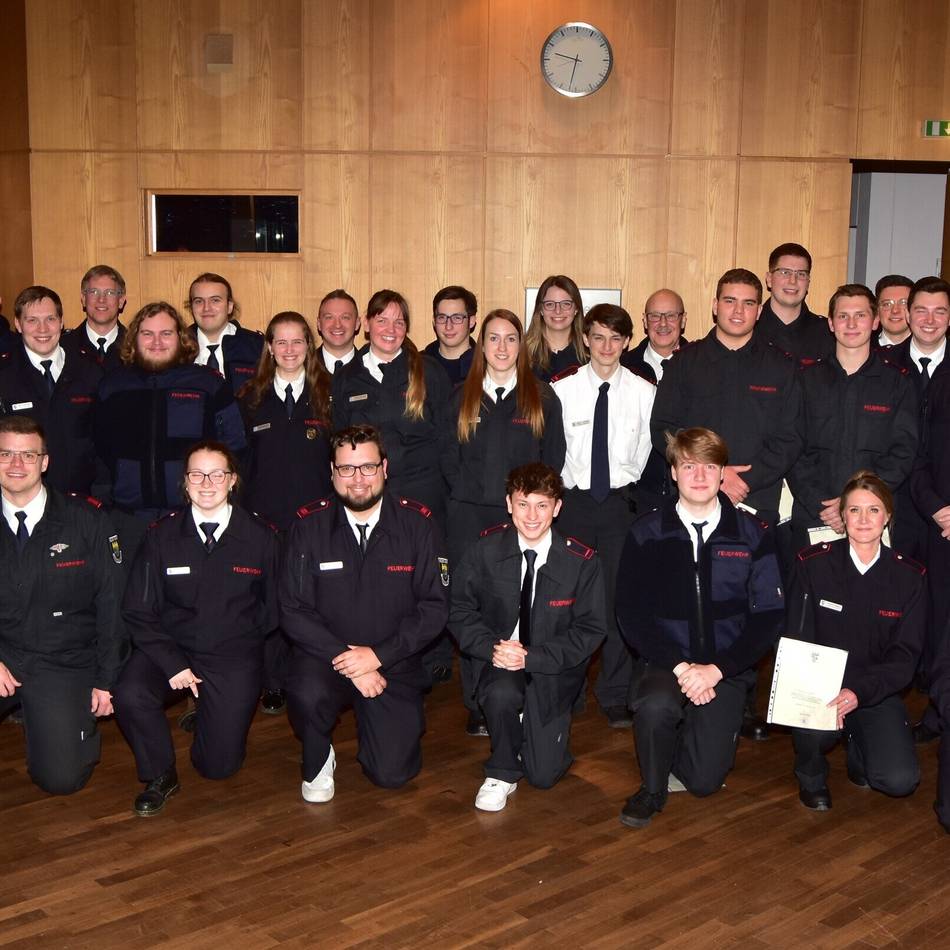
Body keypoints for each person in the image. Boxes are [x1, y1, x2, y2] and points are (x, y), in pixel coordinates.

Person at [651, 268, 803, 740]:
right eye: (730, 301)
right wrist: (714, 477)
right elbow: (666, 428)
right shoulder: (686, 362)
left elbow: (791, 437)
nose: (738, 311)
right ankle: (686, 688)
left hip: (756, 504)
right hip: (697, 502)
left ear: (759, 309)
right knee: (696, 600)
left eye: (748, 303)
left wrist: (742, 478)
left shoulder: (782, 366)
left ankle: (743, 702)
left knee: (749, 604)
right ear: (715, 305)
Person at [615, 427, 784, 829]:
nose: (699, 476)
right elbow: (631, 614)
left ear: (722, 472)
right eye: (689, 466)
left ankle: (688, 733)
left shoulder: (752, 535)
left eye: (710, 466)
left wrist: (717, 670)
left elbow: (768, 616)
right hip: (665, 662)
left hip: (724, 667)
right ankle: (652, 788)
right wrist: (681, 667)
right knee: (656, 706)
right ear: (673, 472)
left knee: (705, 782)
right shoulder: (645, 533)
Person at [279, 425, 449, 801]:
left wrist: (376, 656)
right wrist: (350, 660)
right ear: (332, 473)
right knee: (306, 693)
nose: (358, 479)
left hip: (393, 663)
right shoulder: (308, 526)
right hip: (325, 659)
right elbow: (293, 609)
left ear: (385, 468)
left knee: (392, 775)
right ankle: (319, 757)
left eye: (368, 467)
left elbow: (434, 608)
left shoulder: (418, 525)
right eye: (347, 469)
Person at [114, 441, 279, 816]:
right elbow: (137, 610)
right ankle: (160, 773)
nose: (207, 483)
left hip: (231, 654)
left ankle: (212, 714)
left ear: (232, 480)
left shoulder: (261, 537)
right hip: (171, 649)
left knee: (217, 768)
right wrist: (172, 662)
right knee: (131, 692)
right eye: (197, 474)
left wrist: (239, 645)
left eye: (217, 474)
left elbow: (274, 609)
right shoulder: (160, 536)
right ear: (184, 483)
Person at [450, 462, 605, 810]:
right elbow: (459, 610)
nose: (532, 515)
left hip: (551, 671)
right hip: (499, 662)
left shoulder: (582, 561)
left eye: (542, 505)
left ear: (558, 507)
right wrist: (492, 648)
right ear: (509, 504)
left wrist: (532, 658)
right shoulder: (485, 550)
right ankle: (501, 770)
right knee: (503, 692)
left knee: (543, 776)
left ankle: (533, 723)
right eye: (523, 504)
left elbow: (590, 629)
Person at [443, 309, 566, 735]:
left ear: (521, 345)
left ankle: (524, 687)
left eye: (510, 339)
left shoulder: (542, 397)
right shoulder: (460, 396)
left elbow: (554, 461)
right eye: (493, 339)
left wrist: (526, 508)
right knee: (475, 607)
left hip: (523, 518)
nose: (501, 347)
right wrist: (475, 494)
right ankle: (478, 700)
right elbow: (447, 459)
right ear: (482, 345)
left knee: (518, 599)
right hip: (468, 516)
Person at [0, 416, 127, 794]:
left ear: (45, 462)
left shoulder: (87, 521)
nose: (17, 464)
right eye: (5, 453)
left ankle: (59, 730)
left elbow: (112, 604)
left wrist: (106, 680)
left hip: (63, 658)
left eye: (28, 455)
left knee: (61, 778)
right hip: (3, 652)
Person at [332, 290, 453, 683]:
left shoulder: (428, 370)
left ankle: (432, 656)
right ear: (366, 325)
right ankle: (377, 650)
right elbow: (338, 437)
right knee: (382, 572)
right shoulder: (348, 377)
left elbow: (447, 436)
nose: (391, 329)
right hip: (369, 492)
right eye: (382, 320)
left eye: (399, 321)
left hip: (423, 490)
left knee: (426, 574)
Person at [786, 471, 924, 811]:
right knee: (814, 729)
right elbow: (796, 639)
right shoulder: (812, 564)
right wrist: (816, 690)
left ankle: (858, 745)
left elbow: (905, 657)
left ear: (888, 516)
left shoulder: (909, 577)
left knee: (899, 781)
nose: (864, 519)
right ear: (842, 516)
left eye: (874, 510)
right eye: (855, 510)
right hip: (820, 687)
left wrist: (859, 693)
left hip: (874, 689)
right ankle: (811, 774)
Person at [551, 303, 655, 727]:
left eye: (616, 338)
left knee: (615, 602)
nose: (606, 346)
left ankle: (614, 692)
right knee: (566, 601)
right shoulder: (562, 389)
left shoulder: (644, 392)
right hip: (573, 506)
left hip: (619, 506)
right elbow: (554, 455)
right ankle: (566, 688)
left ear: (627, 341)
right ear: (585, 339)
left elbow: (649, 452)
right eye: (598, 337)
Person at [95, 301, 248, 560]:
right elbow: (97, 451)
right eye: (147, 334)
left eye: (166, 333)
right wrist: (106, 505)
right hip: (128, 521)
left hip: (190, 519)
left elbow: (235, 448)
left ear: (180, 338)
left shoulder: (208, 385)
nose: (157, 342)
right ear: (134, 338)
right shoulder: (113, 387)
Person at [238, 311, 333, 714]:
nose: (289, 350)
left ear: (308, 348)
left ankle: (314, 675)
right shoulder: (250, 399)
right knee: (272, 602)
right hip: (265, 521)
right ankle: (272, 680)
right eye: (281, 342)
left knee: (315, 600)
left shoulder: (329, 395)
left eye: (298, 342)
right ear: (270, 348)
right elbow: (239, 465)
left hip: (318, 521)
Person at [788, 283, 917, 553]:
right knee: (810, 594)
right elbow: (792, 446)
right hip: (816, 514)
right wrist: (823, 504)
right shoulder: (805, 380)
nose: (851, 323)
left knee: (873, 595)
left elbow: (903, 451)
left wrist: (858, 503)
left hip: (872, 516)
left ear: (875, 322)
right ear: (832, 324)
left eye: (860, 315)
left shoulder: (898, 384)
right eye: (843, 316)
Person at [0, 285, 104, 495]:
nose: (43, 329)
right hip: (21, 498)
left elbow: (104, 438)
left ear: (61, 322)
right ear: (18, 325)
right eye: (32, 321)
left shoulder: (90, 371)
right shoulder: (4, 375)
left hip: (82, 499)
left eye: (50, 319)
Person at [908, 277, 950, 743]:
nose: (930, 319)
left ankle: (940, 713)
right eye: (922, 310)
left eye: (940, 311)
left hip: (947, 521)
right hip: (895, 512)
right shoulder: (886, 366)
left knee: (942, 618)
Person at [620, 288, 688, 512]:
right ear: (645, 321)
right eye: (655, 316)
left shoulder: (703, 364)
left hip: (691, 489)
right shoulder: (623, 367)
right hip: (636, 494)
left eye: (671, 315)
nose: (663, 323)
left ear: (683, 319)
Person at [753, 242, 833, 362]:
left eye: (801, 274)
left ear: (808, 282)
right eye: (785, 272)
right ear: (769, 279)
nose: (793, 281)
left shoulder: (828, 333)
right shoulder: (749, 328)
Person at [187, 273, 263, 391]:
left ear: (229, 306)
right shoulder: (177, 349)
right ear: (191, 307)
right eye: (199, 301)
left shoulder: (258, 347)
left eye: (215, 300)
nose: (206, 308)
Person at [62, 264, 128, 370]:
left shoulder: (136, 347)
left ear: (121, 301)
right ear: (83, 299)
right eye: (94, 292)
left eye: (110, 293)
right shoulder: (63, 347)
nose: (101, 299)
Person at [524, 275, 588, 382]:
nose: (558, 311)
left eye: (566, 304)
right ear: (540, 309)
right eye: (550, 304)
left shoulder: (590, 353)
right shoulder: (522, 353)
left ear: (576, 308)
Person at [423, 285, 477, 385]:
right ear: (434, 321)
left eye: (457, 318)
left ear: (471, 321)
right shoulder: (417, 365)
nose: (448, 326)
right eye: (442, 318)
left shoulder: (484, 367)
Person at [315, 289, 360, 375]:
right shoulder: (302, 367)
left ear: (357, 323)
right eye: (329, 317)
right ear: (319, 323)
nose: (337, 325)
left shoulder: (372, 369)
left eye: (345, 317)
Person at [875, 274, 913, 348]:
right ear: (877, 310)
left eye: (903, 303)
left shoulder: (928, 348)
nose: (895, 310)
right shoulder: (863, 349)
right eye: (887, 304)